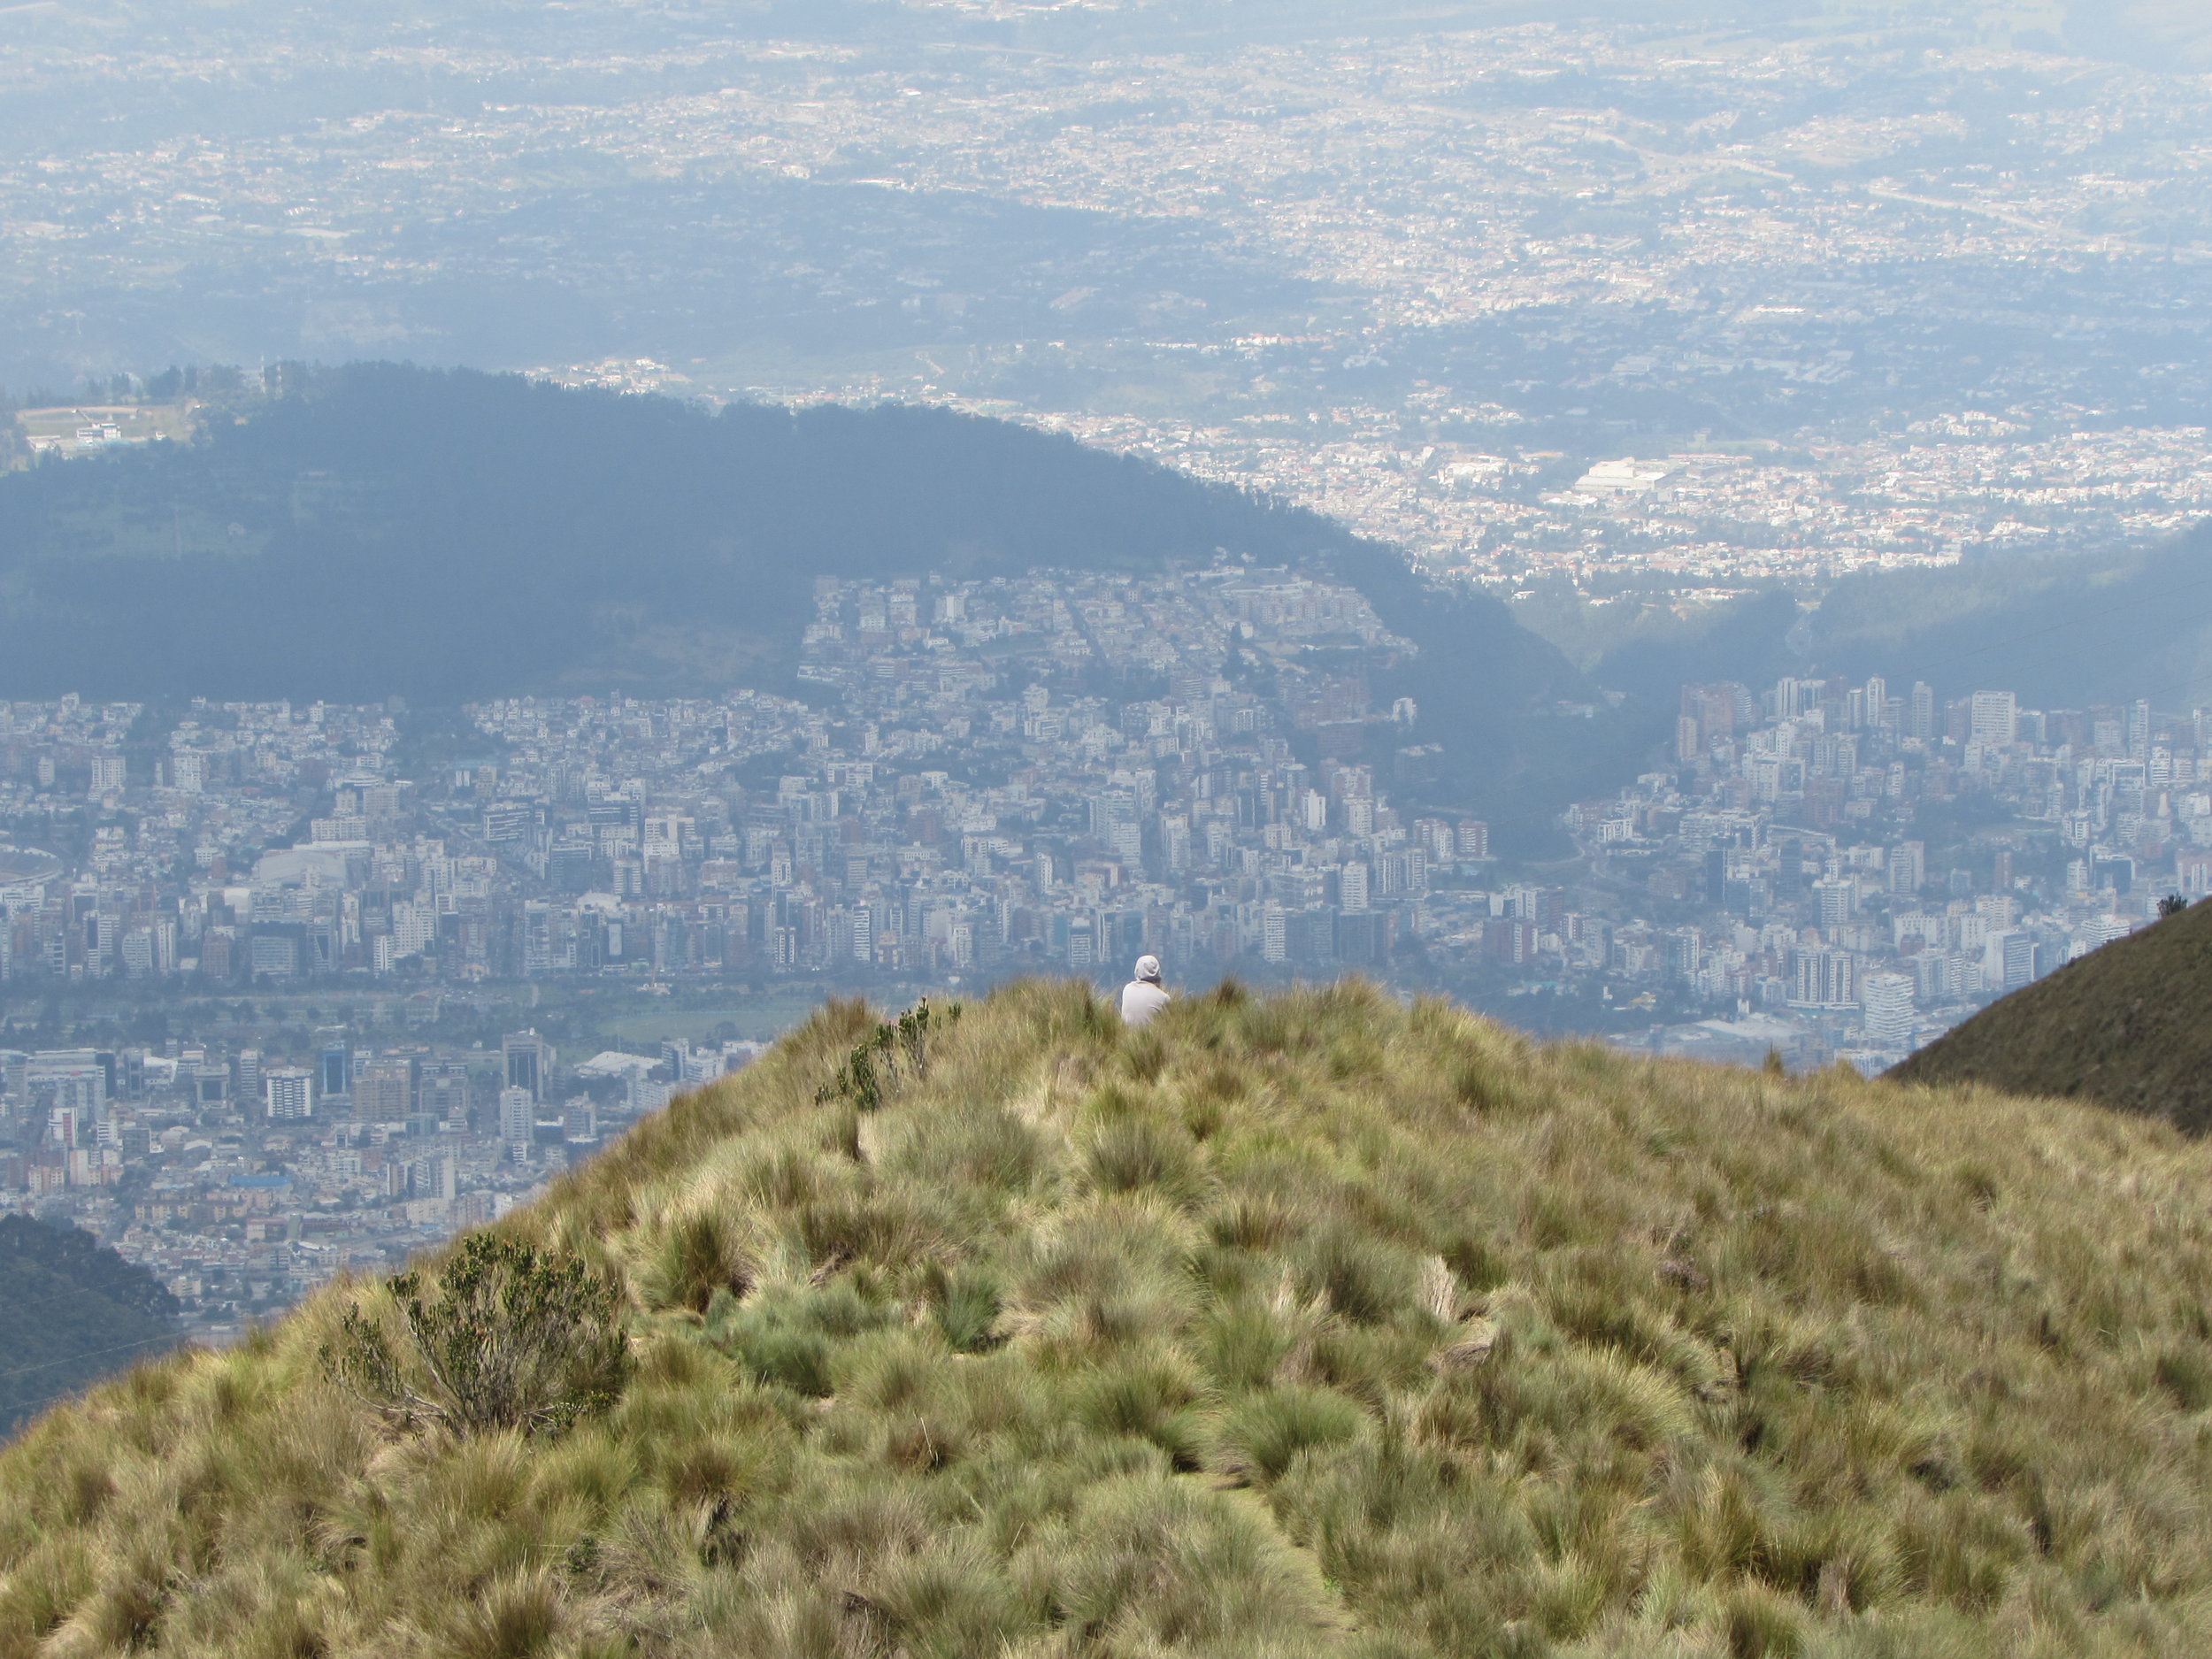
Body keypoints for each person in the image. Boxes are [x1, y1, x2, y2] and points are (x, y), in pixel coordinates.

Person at [1119, 955, 1171, 1027]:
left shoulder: (1127, 989)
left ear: (1137, 971)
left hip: (1125, 1035)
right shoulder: (1164, 998)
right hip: (1151, 1037)